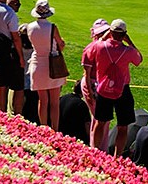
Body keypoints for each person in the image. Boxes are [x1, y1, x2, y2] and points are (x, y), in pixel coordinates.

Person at [88, 18, 143, 156]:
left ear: (111, 32)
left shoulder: (100, 47)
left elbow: (92, 49)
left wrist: (107, 35)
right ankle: (117, 156)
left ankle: (95, 151)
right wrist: (129, 42)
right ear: (124, 35)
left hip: (104, 89)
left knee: (100, 122)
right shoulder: (128, 50)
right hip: (122, 90)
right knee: (123, 126)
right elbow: (139, 59)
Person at [26, 0, 67, 131]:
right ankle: (54, 129)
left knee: (42, 100)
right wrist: (62, 45)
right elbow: (60, 44)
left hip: (37, 64)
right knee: (54, 102)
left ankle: (43, 128)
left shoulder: (30, 27)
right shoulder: (52, 27)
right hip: (51, 64)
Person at [82, 18, 111, 150]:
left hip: (101, 84)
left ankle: (100, 149)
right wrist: (90, 91)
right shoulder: (92, 48)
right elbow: (87, 75)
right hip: (92, 84)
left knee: (104, 120)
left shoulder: (106, 47)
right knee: (99, 119)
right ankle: (96, 149)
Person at [59, 80, 91, 144]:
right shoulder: (81, 104)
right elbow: (87, 125)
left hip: (61, 131)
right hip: (75, 137)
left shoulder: (62, 98)